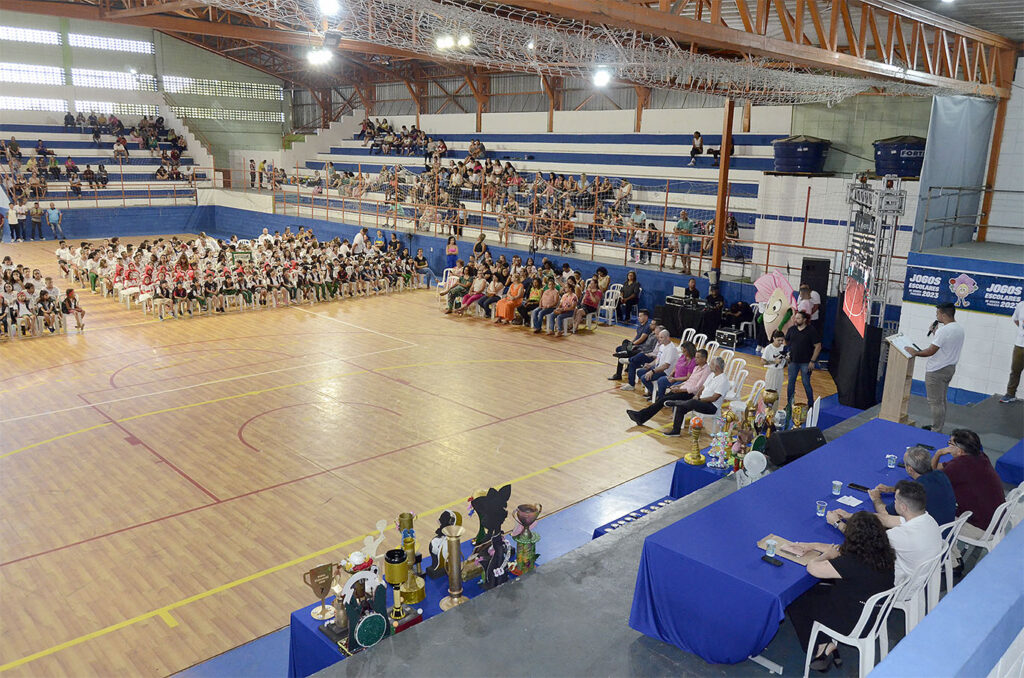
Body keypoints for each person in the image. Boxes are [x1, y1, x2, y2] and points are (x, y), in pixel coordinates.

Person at [785, 512, 896, 671]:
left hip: (852, 621)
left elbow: (813, 568)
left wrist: (824, 556)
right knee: (819, 589)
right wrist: (813, 545)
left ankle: (820, 648)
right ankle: (824, 643)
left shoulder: (851, 563)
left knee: (796, 600)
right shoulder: (882, 554)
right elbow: (840, 551)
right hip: (873, 614)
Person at [829, 480, 942, 599]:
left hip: (900, 586)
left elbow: (860, 537)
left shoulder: (900, 535)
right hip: (921, 577)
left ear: (903, 507)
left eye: (896, 500)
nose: (894, 502)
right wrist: (852, 516)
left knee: (855, 563)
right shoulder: (927, 519)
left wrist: (837, 523)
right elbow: (886, 519)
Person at [931, 429, 1005, 538]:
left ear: (960, 451)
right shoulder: (981, 456)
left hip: (981, 527)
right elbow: (940, 468)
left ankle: (949, 550)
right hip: (997, 519)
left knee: (931, 512)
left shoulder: (958, 466)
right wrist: (939, 455)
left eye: (950, 444)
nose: (948, 447)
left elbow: (931, 478)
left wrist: (938, 453)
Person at [868, 446, 956, 526]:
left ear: (910, 469)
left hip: (931, 534)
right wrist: (892, 489)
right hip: (948, 525)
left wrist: (876, 499)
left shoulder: (915, 490)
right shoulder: (940, 474)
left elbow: (886, 513)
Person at [909, 303, 964, 432]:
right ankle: (938, 425)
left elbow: (931, 351)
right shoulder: (959, 329)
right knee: (941, 400)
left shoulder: (944, 330)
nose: (936, 316)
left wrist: (915, 352)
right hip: (949, 368)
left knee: (935, 402)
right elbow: (945, 346)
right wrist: (935, 333)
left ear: (943, 315)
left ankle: (936, 429)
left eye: (937, 313)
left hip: (937, 370)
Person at [626, 348, 710, 426]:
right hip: (682, 389)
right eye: (695, 357)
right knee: (661, 400)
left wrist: (680, 390)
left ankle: (641, 416)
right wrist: (678, 386)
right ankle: (641, 416)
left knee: (663, 400)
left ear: (704, 358)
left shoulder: (706, 371)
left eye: (698, 358)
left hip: (689, 394)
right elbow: (688, 381)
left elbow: (697, 387)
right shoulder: (696, 367)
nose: (695, 359)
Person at [663, 356, 730, 436]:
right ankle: (676, 430)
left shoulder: (723, 381)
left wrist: (699, 399)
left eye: (711, 364)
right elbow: (703, 387)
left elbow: (714, 398)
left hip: (711, 406)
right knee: (683, 406)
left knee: (693, 402)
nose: (709, 366)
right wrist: (697, 395)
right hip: (700, 401)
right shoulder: (712, 375)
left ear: (717, 367)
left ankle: (676, 403)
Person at [624, 329, 680, 393]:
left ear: (667, 338)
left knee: (644, 378)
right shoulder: (662, 346)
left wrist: (652, 371)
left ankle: (654, 393)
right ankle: (653, 392)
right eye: (659, 337)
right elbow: (658, 358)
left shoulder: (671, 349)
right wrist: (650, 364)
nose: (659, 339)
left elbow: (666, 366)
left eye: (661, 337)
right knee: (640, 372)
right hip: (658, 367)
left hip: (666, 372)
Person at [785, 311, 821, 406]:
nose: (796, 320)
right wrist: (787, 354)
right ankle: (790, 403)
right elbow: (786, 342)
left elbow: (818, 346)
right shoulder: (792, 329)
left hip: (806, 362)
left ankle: (810, 403)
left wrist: (812, 361)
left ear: (805, 320)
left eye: (798, 318)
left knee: (806, 383)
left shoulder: (811, 330)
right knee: (791, 383)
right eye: (795, 318)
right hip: (793, 361)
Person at [609, 309, 652, 381]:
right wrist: (630, 343)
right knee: (620, 348)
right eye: (638, 316)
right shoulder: (640, 325)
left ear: (646, 317)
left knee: (622, 352)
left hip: (639, 348)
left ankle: (618, 374)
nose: (639, 318)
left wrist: (632, 344)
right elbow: (637, 337)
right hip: (635, 346)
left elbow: (641, 339)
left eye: (640, 316)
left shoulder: (647, 327)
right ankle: (625, 356)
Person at [1000, 299, 1024, 403]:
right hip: (1020, 344)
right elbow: (1016, 319)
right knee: (1015, 370)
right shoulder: (1021, 305)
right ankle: (1010, 394)